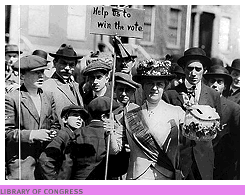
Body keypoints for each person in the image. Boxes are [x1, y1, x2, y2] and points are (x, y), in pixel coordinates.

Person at [106, 59, 185, 180]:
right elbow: (114, 150)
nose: (154, 88)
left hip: (167, 178)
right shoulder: (128, 116)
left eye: (159, 84)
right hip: (137, 179)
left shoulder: (177, 113)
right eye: (149, 83)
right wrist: (110, 132)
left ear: (165, 86)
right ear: (142, 86)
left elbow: (191, 141)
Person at [162, 47, 222, 180]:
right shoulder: (170, 95)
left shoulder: (213, 95)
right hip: (178, 161)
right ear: (183, 69)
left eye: (198, 69)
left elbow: (218, 130)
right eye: (190, 68)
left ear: (204, 71)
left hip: (204, 160)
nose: (193, 73)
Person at [5, 55, 60, 180]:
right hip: (21, 164)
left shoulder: (48, 96)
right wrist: (33, 134)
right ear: (22, 76)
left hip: (45, 162)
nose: (41, 76)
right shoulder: (12, 98)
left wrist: (52, 133)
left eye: (42, 72)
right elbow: (6, 133)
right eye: (36, 73)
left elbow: (55, 124)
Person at [203, 65, 240, 180]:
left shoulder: (233, 108)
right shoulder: (199, 105)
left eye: (219, 82)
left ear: (224, 86)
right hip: (200, 163)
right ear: (206, 84)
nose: (215, 85)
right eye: (212, 81)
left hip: (223, 167)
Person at [71, 96, 120, 180]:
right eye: (113, 116)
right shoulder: (110, 134)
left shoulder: (78, 132)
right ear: (104, 117)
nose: (114, 119)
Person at [39, 104, 89, 180]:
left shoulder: (76, 136)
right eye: (75, 115)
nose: (79, 119)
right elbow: (45, 160)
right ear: (65, 119)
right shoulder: (62, 135)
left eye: (82, 117)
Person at [42, 44, 84, 127]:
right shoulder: (47, 86)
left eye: (71, 65)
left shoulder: (77, 86)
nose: (67, 68)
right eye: (63, 63)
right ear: (55, 63)